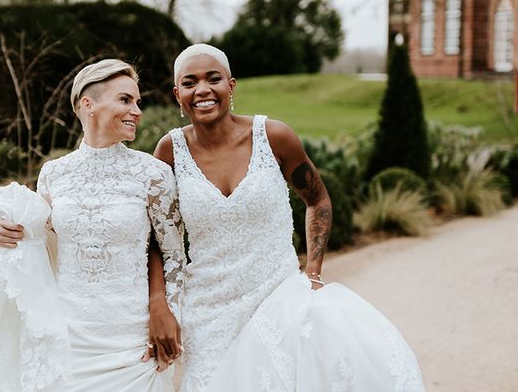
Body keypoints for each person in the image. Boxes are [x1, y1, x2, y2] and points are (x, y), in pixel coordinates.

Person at [146, 43, 425, 392]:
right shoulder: (169, 151)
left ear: (231, 86)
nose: (202, 90)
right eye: (190, 83)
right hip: (208, 312)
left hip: (277, 296)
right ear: (177, 94)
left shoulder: (273, 136)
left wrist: (313, 271)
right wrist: (159, 302)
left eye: (212, 78)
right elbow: (157, 235)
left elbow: (318, 199)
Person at [0, 59, 185, 391]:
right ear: (87, 104)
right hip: (68, 338)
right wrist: (2, 232)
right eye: (125, 100)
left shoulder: (153, 174)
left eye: (138, 102)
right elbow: (38, 241)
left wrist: (167, 311)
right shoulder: (54, 173)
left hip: (133, 342)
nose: (137, 110)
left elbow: (174, 256)